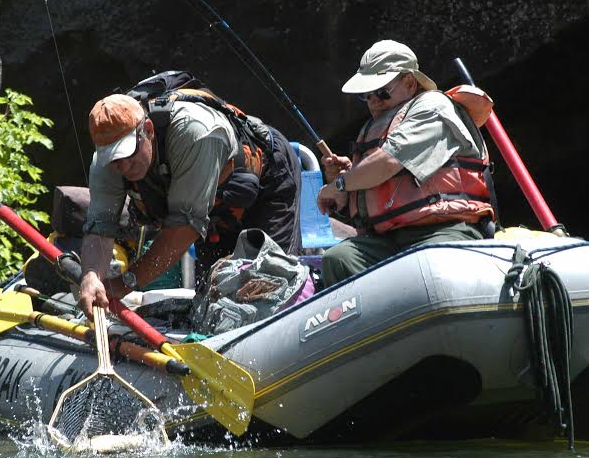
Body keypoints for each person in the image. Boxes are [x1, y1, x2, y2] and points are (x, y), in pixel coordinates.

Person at [77, 85, 301, 316]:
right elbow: (100, 228)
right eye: (113, 159)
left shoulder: (196, 133)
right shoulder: (105, 165)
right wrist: (92, 276)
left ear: (148, 130)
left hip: (267, 182)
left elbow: (183, 229)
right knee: (213, 298)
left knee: (268, 289)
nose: (122, 166)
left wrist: (125, 283)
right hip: (211, 208)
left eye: (127, 153)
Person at [317, 40, 495, 287]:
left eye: (381, 91)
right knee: (338, 259)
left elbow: (387, 163)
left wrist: (339, 184)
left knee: (425, 265)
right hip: (388, 239)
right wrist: (347, 182)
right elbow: (377, 189)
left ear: (410, 83)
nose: (373, 101)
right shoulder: (378, 125)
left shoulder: (433, 107)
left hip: (442, 231)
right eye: (366, 95)